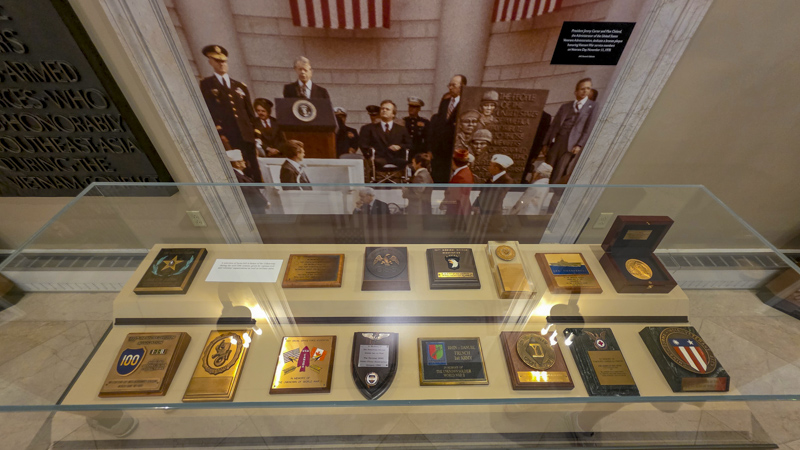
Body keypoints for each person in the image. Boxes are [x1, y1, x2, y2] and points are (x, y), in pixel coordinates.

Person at [199, 44, 262, 182]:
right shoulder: (207, 85)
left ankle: (259, 193)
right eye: (217, 61)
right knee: (236, 168)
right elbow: (209, 110)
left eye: (223, 61)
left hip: (246, 134)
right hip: (228, 134)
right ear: (210, 61)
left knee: (253, 167)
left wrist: (256, 133)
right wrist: (219, 132)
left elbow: (250, 113)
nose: (222, 64)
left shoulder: (240, 86)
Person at [542, 78, 598, 183]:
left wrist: (579, 145)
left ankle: (550, 192)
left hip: (571, 144)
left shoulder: (592, 106)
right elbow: (553, 125)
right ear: (576, 91)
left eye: (588, 88)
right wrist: (545, 143)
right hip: (557, 140)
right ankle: (539, 190)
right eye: (582, 89)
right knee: (547, 167)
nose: (585, 91)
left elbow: (588, 127)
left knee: (560, 169)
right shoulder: (566, 106)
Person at [430, 74, 466, 183]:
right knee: (437, 177)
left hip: (453, 148)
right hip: (439, 149)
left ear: (462, 87)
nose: (450, 88)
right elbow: (439, 125)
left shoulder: (465, 103)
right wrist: (432, 148)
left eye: (453, 85)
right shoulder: (445, 103)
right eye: (449, 85)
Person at [359, 100, 412, 169]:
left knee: (403, 162)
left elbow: (410, 145)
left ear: (393, 114)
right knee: (376, 162)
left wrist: (400, 146)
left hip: (396, 159)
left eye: (387, 109)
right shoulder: (369, 128)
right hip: (377, 160)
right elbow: (363, 145)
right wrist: (370, 157)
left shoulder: (401, 129)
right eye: (382, 109)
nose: (384, 110)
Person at [226, 150, 270, 214]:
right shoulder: (236, 176)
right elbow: (249, 191)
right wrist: (264, 202)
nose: (244, 162)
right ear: (237, 164)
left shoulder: (240, 174)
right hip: (253, 209)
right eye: (242, 161)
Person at [440, 148, 473, 215]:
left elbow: (455, 197)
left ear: (453, 162)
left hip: (457, 211)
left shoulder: (461, 177)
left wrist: (445, 203)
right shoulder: (465, 172)